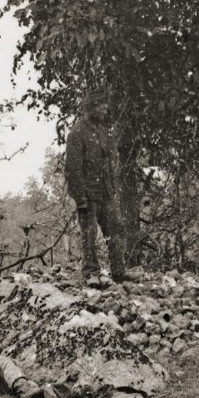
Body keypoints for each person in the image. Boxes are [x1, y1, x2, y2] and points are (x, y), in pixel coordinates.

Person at [64, 90, 131, 286]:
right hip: (88, 195)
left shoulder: (102, 131)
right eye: (100, 105)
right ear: (90, 108)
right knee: (89, 234)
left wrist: (113, 188)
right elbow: (72, 169)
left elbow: (110, 162)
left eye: (105, 105)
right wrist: (80, 198)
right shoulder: (76, 134)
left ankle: (119, 271)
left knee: (117, 229)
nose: (105, 109)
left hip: (106, 193)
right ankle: (91, 273)